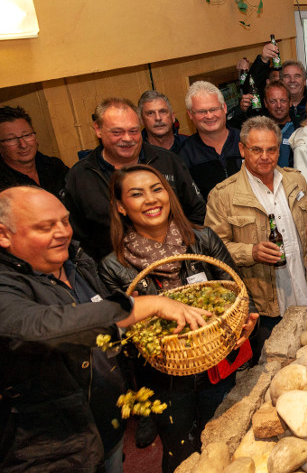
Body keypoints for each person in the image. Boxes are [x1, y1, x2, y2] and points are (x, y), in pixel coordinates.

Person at [0, 186, 212, 473]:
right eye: (45, 227)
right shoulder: (7, 284)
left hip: (106, 430)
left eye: (64, 221)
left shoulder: (77, 260)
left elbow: (103, 323)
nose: (63, 232)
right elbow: (36, 328)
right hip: (49, 450)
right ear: (3, 234)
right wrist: (138, 308)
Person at [97, 165, 257, 472]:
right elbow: (120, 331)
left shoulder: (201, 239)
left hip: (217, 366)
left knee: (224, 443)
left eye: (156, 189)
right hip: (164, 381)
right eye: (136, 194)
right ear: (120, 206)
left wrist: (247, 320)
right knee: (181, 453)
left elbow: (238, 289)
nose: (150, 199)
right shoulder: (113, 266)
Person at [206, 116, 307, 360]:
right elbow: (213, 253)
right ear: (242, 149)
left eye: (271, 149)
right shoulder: (223, 195)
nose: (265, 156)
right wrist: (251, 252)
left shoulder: (295, 181)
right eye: (256, 149)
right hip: (265, 308)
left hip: (306, 291)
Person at [64, 97, 206, 262]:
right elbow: (77, 239)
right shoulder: (81, 176)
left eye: (133, 131)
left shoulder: (167, 161)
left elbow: (197, 213)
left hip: (178, 261)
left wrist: (186, 254)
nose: (127, 138)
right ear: (98, 129)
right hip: (117, 275)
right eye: (117, 132)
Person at [180, 81, 243, 199]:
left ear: (224, 108)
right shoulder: (186, 155)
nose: (209, 116)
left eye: (213, 109)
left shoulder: (246, 141)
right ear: (190, 114)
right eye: (201, 112)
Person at [0, 106, 68, 196]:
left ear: (35, 138)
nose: (23, 145)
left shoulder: (54, 166)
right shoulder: (3, 186)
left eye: (27, 135)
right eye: (11, 139)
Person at [263, 80, 296, 168]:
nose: (278, 105)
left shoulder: (300, 128)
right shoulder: (259, 131)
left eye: (283, 100)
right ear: (266, 103)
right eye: (273, 101)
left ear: (290, 102)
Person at [282, 61, 307, 128]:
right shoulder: (275, 105)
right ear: (281, 81)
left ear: (304, 81)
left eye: (297, 76)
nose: (292, 80)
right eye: (287, 76)